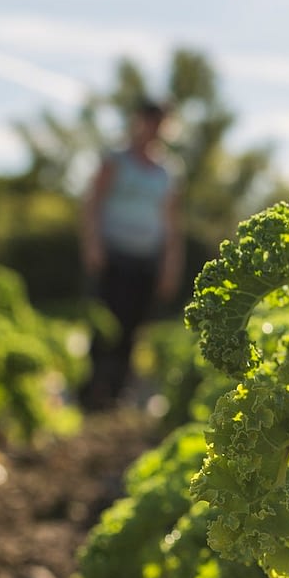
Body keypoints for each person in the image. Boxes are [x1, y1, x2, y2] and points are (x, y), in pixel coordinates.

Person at [79, 99, 183, 411]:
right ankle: (94, 388)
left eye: (159, 123)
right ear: (137, 122)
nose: (152, 129)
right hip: (114, 254)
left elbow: (172, 222)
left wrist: (170, 265)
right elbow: (92, 203)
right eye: (148, 121)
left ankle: (118, 391)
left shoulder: (167, 171)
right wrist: (92, 243)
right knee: (106, 322)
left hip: (146, 258)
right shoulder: (116, 160)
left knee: (134, 326)